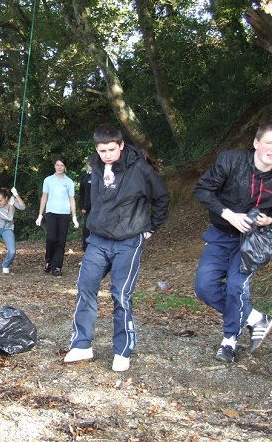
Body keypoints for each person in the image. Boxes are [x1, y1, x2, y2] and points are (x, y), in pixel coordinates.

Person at [64, 124, 169, 372]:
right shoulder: (96, 167)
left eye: (112, 149)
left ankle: (122, 351)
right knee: (85, 287)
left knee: (121, 295)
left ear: (121, 145)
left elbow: (162, 198)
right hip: (98, 240)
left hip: (128, 241)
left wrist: (150, 228)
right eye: (102, 150)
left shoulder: (140, 169)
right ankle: (81, 344)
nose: (107, 154)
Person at [193, 122, 272, 363]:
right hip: (220, 234)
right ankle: (255, 319)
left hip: (251, 241)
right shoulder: (230, 161)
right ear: (256, 143)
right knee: (204, 287)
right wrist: (228, 214)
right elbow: (202, 190)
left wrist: (268, 219)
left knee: (236, 288)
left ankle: (229, 341)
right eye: (269, 142)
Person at [36, 157, 79, 276]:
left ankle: (57, 266)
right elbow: (44, 197)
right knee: (51, 238)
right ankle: (48, 260)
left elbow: (72, 199)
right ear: (54, 166)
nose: (59, 167)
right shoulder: (48, 180)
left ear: (65, 167)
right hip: (51, 212)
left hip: (64, 213)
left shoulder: (69, 182)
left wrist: (74, 216)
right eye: (57, 165)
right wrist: (40, 215)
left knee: (61, 240)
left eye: (61, 165)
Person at [78, 157, 93, 252]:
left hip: (94, 208)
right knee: (86, 230)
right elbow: (81, 192)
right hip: (86, 209)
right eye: (89, 163)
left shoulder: (98, 176)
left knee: (91, 230)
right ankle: (86, 251)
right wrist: (82, 206)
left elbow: (95, 194)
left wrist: (86, 206)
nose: (90, 165)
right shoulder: (84, 176)